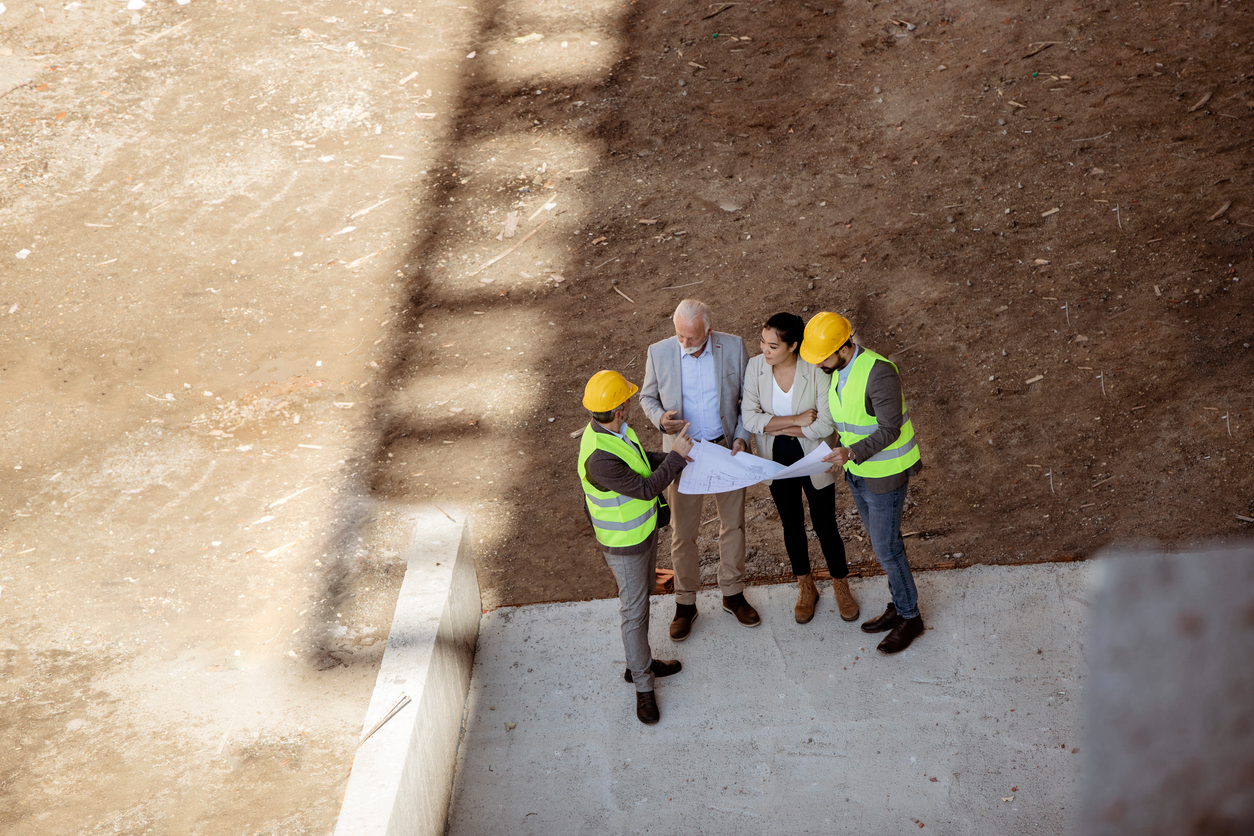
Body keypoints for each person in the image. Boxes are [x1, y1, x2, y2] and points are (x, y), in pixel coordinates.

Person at [800, 312, 926, 654]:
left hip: (884, 476)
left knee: (887, 548)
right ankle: (900, 606)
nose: (819, 365)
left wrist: (851, 453)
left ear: (844, 347)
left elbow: (891, 429)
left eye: (823, 358)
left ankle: (910, 616)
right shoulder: (838, 370)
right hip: (858, 473)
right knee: (883, 544)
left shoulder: (879, 372)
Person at [578, 370, 694, 724]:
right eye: (626, 401)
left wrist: (672, 459)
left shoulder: (609, 432)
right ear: (620, 409)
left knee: (640, 603)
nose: (629, 404)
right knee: (634, 613)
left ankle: (637, 663)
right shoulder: (599, 457)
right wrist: (675, 458)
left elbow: (639, 462)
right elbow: (645, 489)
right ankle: (643, 686)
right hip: (624, 545)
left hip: (640, 534)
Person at [640, 299, 758, 640]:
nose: (685, 344)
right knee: (682, 532)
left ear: (709, 330)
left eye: (692, 338)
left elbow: (748, 399)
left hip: (725, 450)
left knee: (732, 525)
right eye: (680, 335)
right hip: (682, 454)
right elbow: (647, 398)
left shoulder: (733, 346)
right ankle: (686, 602)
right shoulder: (659, 352)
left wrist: (741, 438)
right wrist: (660, 420)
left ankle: (732, 594)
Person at [741, 312, 860, 625]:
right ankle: (806, 587)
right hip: (776, 457)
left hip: (815, 455)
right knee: (791, 525)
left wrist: (774, 426)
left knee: (825, 524)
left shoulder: (815, 368)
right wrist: (794, 421)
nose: (765, 351)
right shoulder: (755, 367)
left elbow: (824, 425)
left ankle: (840, 584)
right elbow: (750, 420)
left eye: (773, 346)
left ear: (793, 346)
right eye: (763, 343)